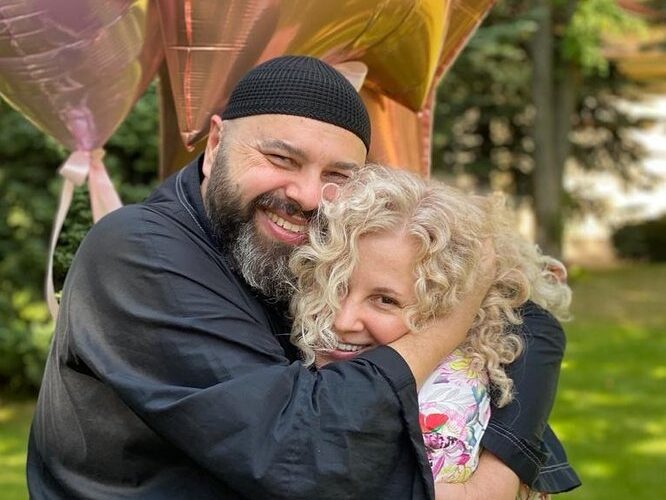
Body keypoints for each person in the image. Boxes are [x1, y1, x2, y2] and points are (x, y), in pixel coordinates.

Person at [27, 56, 492, 499]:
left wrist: (506, 464)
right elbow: (302, 451)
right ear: (215, 146)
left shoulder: (307, 256)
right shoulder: (136, 251)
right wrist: (449, 324)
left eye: (336, 175)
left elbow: (516, 322)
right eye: (281, 159)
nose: (308, 196)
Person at [289, 165, 581, 498]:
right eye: (335, 284)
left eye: (385, 300)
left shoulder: (445, 405)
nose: (342, 320)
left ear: (448, 310)